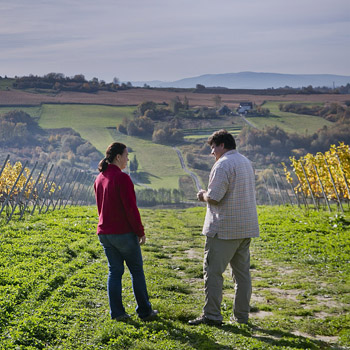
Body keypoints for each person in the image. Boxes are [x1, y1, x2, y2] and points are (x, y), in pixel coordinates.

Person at [189, 129, 259, 326]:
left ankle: (212, 315)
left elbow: (215, 197)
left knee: (212, 272)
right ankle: (241, 316)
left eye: (213, 147)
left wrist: (202, 194)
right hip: (245, 227)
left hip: (224, 229)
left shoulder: (223, 165)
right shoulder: (245, 162)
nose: (212, 152)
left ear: (222, 145)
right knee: (242, 275)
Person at [94, 142, 158, 321]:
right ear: (118, 157)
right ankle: (145, 312)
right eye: (126, 156)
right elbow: (131, 209)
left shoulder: (99, 178)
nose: (128, 160)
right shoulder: (122, 178)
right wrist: (140, 231)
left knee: (114, 271)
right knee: (136, 270)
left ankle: (118, 313)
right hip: (122, 232)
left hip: (104, 233)